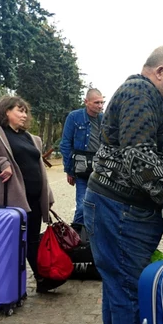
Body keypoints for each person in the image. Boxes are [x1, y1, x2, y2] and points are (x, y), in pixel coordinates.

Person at [83, 46, 163, 324]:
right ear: (160, 72)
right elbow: (137, 157)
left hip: (120, 210)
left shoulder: (143, 96)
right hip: (120, 211)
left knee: (118, 285)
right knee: (129, 289)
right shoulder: (139, 92)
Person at [0, 96, 60, 293]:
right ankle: (12, 285)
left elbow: (39, 169)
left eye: (25, 111)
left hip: (34, 198)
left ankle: (40, 279)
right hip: (11, 200)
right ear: (6, 111)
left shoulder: (31, 138)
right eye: (19, 110)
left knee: (33, 239)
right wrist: (1, 163)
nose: (24, 115)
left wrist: (48, 195)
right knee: (14, 243)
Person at [59, 88, 104, 230]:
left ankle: (92, 241)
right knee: (82, 207)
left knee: (100, 207)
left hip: (100, 170)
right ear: (86, 102)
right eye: (96, 102)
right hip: (81, 169)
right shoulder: (74, 117)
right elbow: (65, 144)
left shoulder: (104, 119)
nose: (100, 106)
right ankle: (77, 237)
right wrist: (69, 170)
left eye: (102, 102)